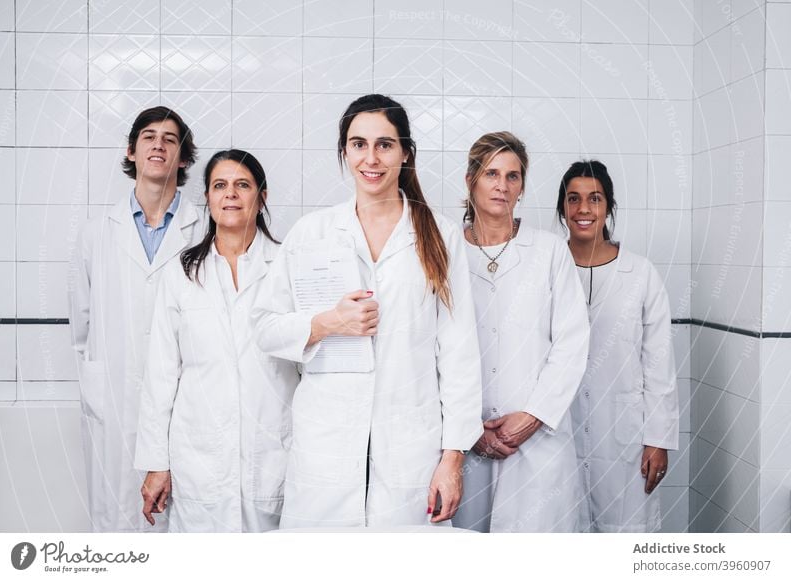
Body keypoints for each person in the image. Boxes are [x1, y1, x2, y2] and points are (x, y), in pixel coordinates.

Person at [252, 94, 482, 528]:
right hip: (326, 445)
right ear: (344, 151)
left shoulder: (439, 234)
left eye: (385, 144)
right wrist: (325, 323)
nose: (371, 158)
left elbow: (459, 355)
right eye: (358, 144)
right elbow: (264, 327)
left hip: (410, 449)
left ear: (406, 152)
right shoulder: (313, 232)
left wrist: (453, 458)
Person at [134, 150, 299, 532]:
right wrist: (157, 463)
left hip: (274, 454)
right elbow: (160, 376)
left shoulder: (287, 267)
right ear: (207, 198)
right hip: (199, 459)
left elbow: (310, 366)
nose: (231, 195)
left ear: (262, 197)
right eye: (220, 186)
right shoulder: (180, 273)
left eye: (243, 185)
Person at [68, 106, 202, 532]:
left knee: (180, 525)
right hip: (114, 398)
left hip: (183, 402)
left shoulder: (204, 230)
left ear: (183, 158)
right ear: (132, 151)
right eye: (148, 136)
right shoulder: (95, 232)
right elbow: (82, 323)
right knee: (116, 521)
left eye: (169, 138)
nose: (158, 144)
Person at [451, 132, 590, 532]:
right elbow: (430, 349)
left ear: (522, 186)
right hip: (465, 442)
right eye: (491, 173)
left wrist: (533, 416)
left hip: (536, 440)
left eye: (513, 176)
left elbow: (572, 342)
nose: (502, 185)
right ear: (470, 180)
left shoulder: (548, 251)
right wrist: (468, 427)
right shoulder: (445, 252)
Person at [556, 159, 679, 532]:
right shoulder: (548, 266)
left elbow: (659, 363)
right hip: (560, 430)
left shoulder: (640, 273)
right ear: (562, 208)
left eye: (594, 198)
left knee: (625, 541)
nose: (583, 209)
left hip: (624, 437)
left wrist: (658, 439)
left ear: (608, 206)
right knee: (563, 537)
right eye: (573, 198)